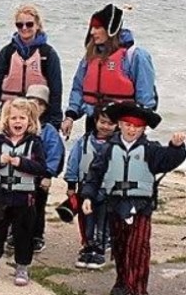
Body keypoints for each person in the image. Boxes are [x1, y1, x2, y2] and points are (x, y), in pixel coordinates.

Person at [81, 102, 186, 295]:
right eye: (128, 125)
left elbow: (168, 160)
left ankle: (137, 289)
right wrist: (87, 196)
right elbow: (94, 175)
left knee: (138, 249)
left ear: (144, 128)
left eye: (137, 126)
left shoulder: (151, 149)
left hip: (141, 207)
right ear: (120, 124)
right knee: (119, 247)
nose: (132, 129)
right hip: (115, 204)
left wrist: (176, 147)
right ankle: (122, 282)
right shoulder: (108, 149)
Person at [0, 98, 46, 286]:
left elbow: (41, 168)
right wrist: (0, 159)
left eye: (22, 118)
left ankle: (22, 268)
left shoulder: (35, 143)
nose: (18, 122)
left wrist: (20, 162)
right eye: (13, 118)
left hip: (24, 197)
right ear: (6, 120)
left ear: (29, 121)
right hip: (0, 194)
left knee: (24, 234)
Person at [61, 4, 157, 137]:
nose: (92, 32)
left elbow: (146, 97)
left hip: (123, 125)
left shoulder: (135, 56)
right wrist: (70, 117)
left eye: (97, 27)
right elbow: (78, 88)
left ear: (110, 29)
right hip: (94, 122)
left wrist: (138, 124)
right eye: (92, 27)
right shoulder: (89, 57)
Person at [0, 4, 63, 129]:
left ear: (37, 25)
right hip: (10, 115)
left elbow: (56, 91)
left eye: (29, 24)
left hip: (39, 117)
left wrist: (55, 121)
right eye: (19, 24)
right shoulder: (7, 53)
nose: (24, 28)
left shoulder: (48, 54)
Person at [64, 104, 117, 269]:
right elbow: (73, 162)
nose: (106, 126)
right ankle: (87, 247)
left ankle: (99, 251)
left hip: (107, 191)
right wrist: (71, 184)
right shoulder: (84, 141)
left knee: (103, 221)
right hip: (85, 188)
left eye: (110, 123)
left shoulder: (118, 145)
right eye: (103, 122)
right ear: (95, 121)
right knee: (86, 220)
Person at [25, 85, 65, 253]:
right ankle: (16, 233)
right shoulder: (17, 124)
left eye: (40, 103)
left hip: (39, 177)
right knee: (17, 206)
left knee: (37, 207)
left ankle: (36, 235)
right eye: (31, 101)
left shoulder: (48, 131)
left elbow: (55, 154)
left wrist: (48, 174)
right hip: (20, 174)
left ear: (45, 108)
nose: (35, 106)